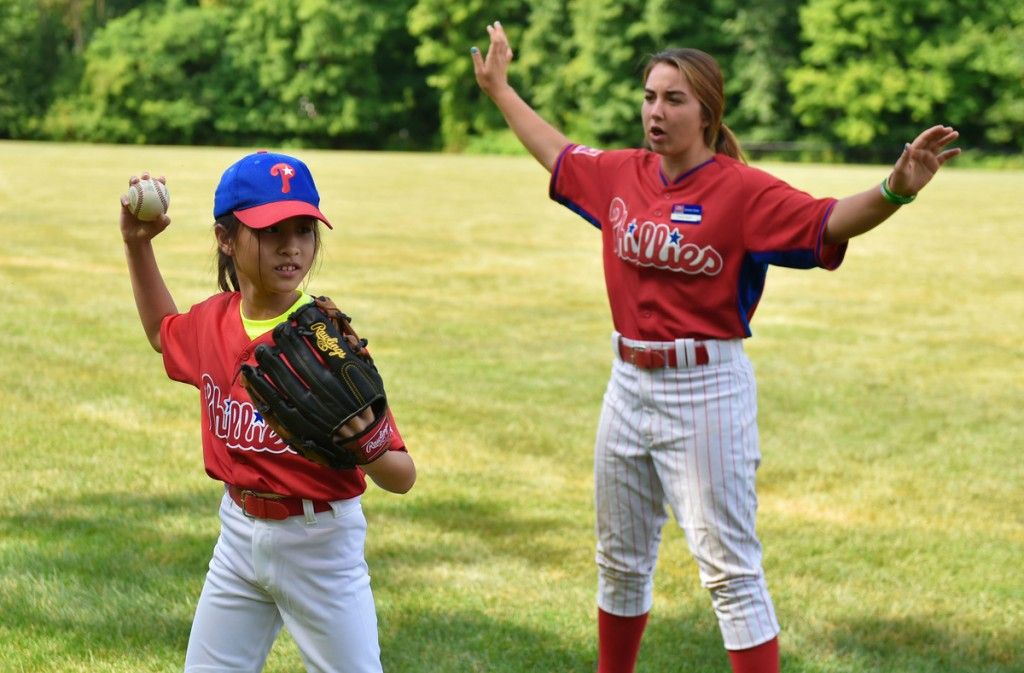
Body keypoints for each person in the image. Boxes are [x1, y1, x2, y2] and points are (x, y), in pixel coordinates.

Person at [471, 21, 959, 673]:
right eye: (650, 96)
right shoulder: (622, 175)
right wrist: (500, 89)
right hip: (625, 384)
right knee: (618, 561)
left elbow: (829, 220)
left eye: (674, 99)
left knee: (730, 573)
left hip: (705, 390)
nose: (656, 110)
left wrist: (896, 188)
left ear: (706, 111)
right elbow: (559, 155)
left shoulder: (742, 190)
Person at [120, 151, 417, 673]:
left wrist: (365, 443)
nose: (292, 246)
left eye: (304, 229)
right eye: (271, 228)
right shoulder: (212, 322)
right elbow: (159, 333)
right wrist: (137, 244)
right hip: (237, 535)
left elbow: (401, 475)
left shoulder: (325, 343)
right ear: (225, 238)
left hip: (320, 544)